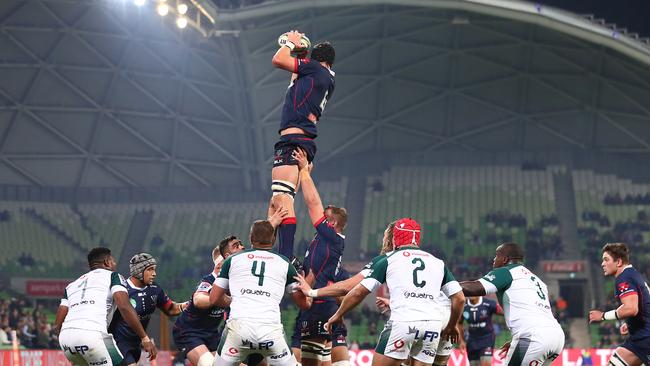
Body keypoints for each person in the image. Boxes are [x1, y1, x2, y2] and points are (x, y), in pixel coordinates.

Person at [324, 218, 465, 366]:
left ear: (395, 238)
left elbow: (358, 292)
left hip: (403, 323)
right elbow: (459, 298)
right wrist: (451, 325)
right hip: (432, 327)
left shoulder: (389, 258)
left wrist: (338, 314)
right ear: (417, 238)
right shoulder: (437, 262)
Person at [269, 30, 336, 261]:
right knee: (279, 200)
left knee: (282, 197)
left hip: (293, 140)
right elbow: (296, 77)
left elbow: (278, 59)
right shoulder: (324, 76)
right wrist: (301, 50)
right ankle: (275, 253)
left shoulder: (315, 69)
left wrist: (290, 42)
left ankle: (285, 258)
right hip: (302, 139)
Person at [209, 220, 312, 366]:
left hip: (239, 330)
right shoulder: (285, 264)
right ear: (274, 239)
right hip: (270, 332)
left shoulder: (232, 260)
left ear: (251, 238)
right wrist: (309, 287)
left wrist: (236, 301)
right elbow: (305, 304)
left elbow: (214, 298)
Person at [460, 243, 564, 366]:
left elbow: (475, 287)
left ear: (504, 259)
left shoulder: (506, 272)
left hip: (533, 337)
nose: (493, 260)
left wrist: (445, 284)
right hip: (556, 337)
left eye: (496, 256)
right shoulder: (537, 281)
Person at [293, 148, 349, 366]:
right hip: (318, 303)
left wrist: (304, 172)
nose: (321, 220)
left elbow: (313, 204)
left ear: (332, 224)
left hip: (321, 304)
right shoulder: (322, 240)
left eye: (326, 219)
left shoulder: (333, 238)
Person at [55, 247, 156, 366]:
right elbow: (124, 306)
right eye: (113, 261)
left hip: (66, 339)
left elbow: (57, 324)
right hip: (94, 334)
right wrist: (144, 338)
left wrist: (72, 339)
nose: (115, 263)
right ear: (107, 262)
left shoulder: (72, 285)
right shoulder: (113, 276)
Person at [172, 236, 245, 366]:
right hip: (189, 332)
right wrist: (222, 299)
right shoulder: (209, 281)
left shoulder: (233, 282)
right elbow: (198, 300)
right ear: (222, 263)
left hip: (211, 334)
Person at [109, 253, 187, 366]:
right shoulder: (122, 290)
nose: (154, 274)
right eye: (150, 270)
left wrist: (191, 303)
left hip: (136, 344)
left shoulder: (155, 289)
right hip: (118, 343)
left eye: (154, 270)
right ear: (138, 271)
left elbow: (171, 309)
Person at [588, 243, 650, 366]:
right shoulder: (634, 274)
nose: (602, 264)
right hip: (641, 338)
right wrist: (630, 323)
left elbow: (631, 308)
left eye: (606, 260)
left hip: (644, 339)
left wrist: (603, 316)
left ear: (619, 262)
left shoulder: (624, 277)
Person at [459, 296, 502, 366]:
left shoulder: (489, 304)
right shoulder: (464, 306)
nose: (471, 293)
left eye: (473, 290)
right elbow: (459, 323)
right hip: (472, 341)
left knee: (486, 363)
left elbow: (506, 313)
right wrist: (461, 341)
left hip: (487, 339)